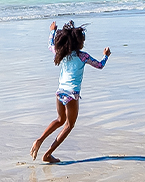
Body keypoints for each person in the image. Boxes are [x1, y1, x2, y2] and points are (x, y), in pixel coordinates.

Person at [30, 19, 111, 164]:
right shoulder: (83, 56)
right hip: (72, 94)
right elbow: (99, 65)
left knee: (59, 120)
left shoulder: (62, 53)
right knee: (69, 125)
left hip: (60, 92)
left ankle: (39, 140)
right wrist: (106, 55)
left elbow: (50, 45)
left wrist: (52, 31)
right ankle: (48, 154)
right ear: (78, 43)